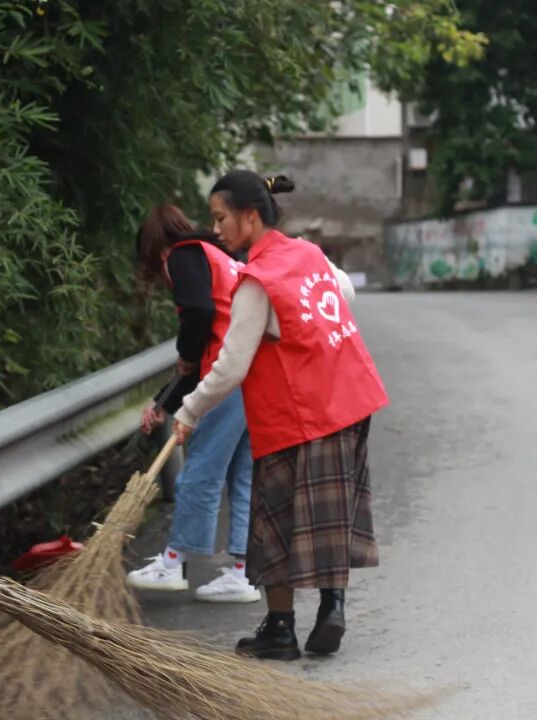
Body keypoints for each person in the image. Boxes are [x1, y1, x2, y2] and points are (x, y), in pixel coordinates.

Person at [172, 171, 386, 661]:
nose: (217, 229)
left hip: (300, 413)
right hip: (348, 398)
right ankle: (333, 606)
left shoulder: (256, 281)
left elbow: (230, 366)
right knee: (330, 514)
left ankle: (281, 628)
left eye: (221, 218)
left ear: (250, 216)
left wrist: (188, 413)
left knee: (273, 521)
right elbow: (344, 292)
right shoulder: (308, 254)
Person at [127, 204, 259, 603]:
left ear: (155, 247)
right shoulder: (218, 254)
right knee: (242, 476)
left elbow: (200, 320)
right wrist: (163, 402)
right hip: (252, 372)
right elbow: (201, 344)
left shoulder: (182, 255)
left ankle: (173, 561)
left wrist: (185, 350)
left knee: (201, 468)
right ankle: (244, 572)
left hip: (225, 375)